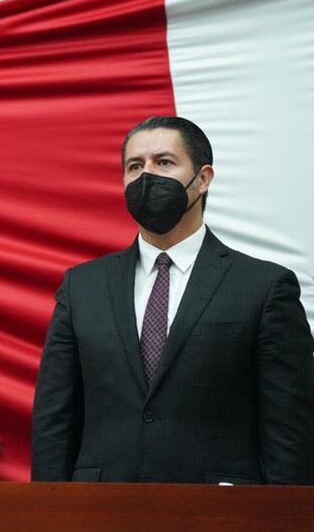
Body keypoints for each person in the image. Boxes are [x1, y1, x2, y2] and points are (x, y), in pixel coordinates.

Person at [32, 116, 314, 484]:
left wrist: (287, 511)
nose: (147, 176)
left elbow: (290, 427)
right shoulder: (82, 287)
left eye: (164, 162)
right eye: (135, 166)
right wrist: (50, 509)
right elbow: (55, 417)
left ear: (203, 177)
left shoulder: (264, 286)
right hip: (100, 503)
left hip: (220, 505)